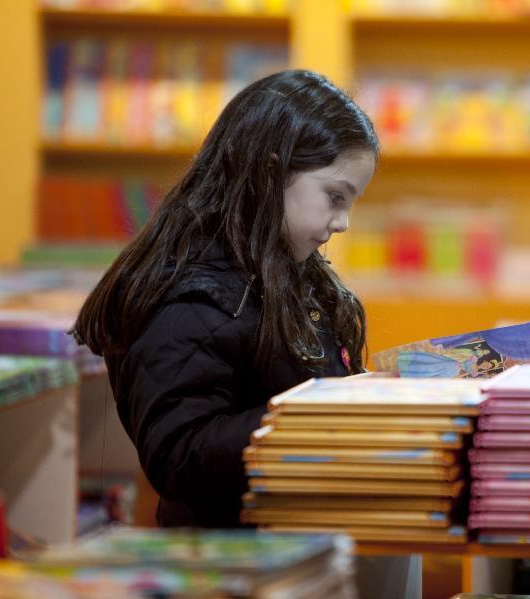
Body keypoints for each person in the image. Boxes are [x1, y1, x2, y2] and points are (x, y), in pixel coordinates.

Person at [72, 69, 379, 528]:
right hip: (227, 559)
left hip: (286, 539)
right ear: (269, 173)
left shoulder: (281, 271)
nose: (343, 223)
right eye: (335, 197)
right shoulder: (193, 298)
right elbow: (180, 455)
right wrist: (319, 415)